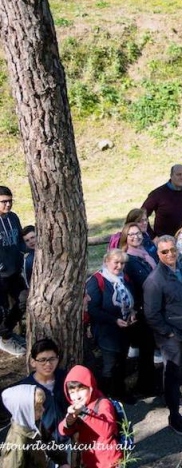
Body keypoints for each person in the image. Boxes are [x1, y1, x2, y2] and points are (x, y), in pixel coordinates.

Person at [143, 236, 182, 436]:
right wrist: (170, 333)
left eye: (172, 250)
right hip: (170, 337)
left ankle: (177, 398)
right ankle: (174, 416)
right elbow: (152, 315)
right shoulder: (154, 281)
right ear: (157, 254)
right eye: (164, 251)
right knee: (172, 374)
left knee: (180, 371)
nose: (170, 254)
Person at [86, 249, 137, 404]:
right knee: (110, 365)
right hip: (107, 331)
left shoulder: (124, 278)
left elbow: (131, 298)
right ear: (107, 261)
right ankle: (104, 398)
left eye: (122, 263)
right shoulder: (97, 280)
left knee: (121, 361)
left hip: (125, 328)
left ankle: (119, 392)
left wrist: (133, 312)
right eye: (116, 262)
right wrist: (114, 320)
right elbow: (93, 309)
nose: (119, 266)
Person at [119, 223, 158, 397]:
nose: (136, 237)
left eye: (138, 233)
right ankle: (145, 385)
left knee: (150, 347)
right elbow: (140, 283)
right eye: (131, 234)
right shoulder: (128, 259)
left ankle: (149, 382)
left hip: (153, 304)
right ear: (125, 238)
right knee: (146, 348)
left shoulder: (146, 253)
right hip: (141, 308)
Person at [58, 365, 122, 468]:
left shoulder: (103, 403)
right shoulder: (77, 407)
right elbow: (62, 431)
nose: (77, 396)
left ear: (90, 387)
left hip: (110, 462)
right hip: (91, 462)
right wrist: (69, 421)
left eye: (81, 390)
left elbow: (107, 431)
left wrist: (84, 413)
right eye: (72, 392)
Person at [19, 338, 69, 467]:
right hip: (43, 446)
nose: (48, 364)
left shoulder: (65, 378)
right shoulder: (26, 388)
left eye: (52, 359)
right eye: (42, 360)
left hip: (68, 440)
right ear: (33, 362)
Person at [0, 186, 27, 356]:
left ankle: (6, 333)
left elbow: (19, 240)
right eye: (4, 201)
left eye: (10, 201)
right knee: (1, 310)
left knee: (25, 299)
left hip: (15, 272)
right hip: (0, 276)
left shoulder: (14, 217)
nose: (8, 204)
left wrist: (24, 251)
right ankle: (5, 339)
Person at [141, 164, 182, 237]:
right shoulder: (157, 194)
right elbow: (140, 215)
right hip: (167, 240)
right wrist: (153, 237)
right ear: (171, 176)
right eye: (178, 174)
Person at [1, 385, 51, 468]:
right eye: (38, 408)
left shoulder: (34, 424)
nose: (43, 409)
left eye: (42, 405)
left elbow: (49, 440)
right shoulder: (17, 444)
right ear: (24, 411)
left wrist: (62, 461)